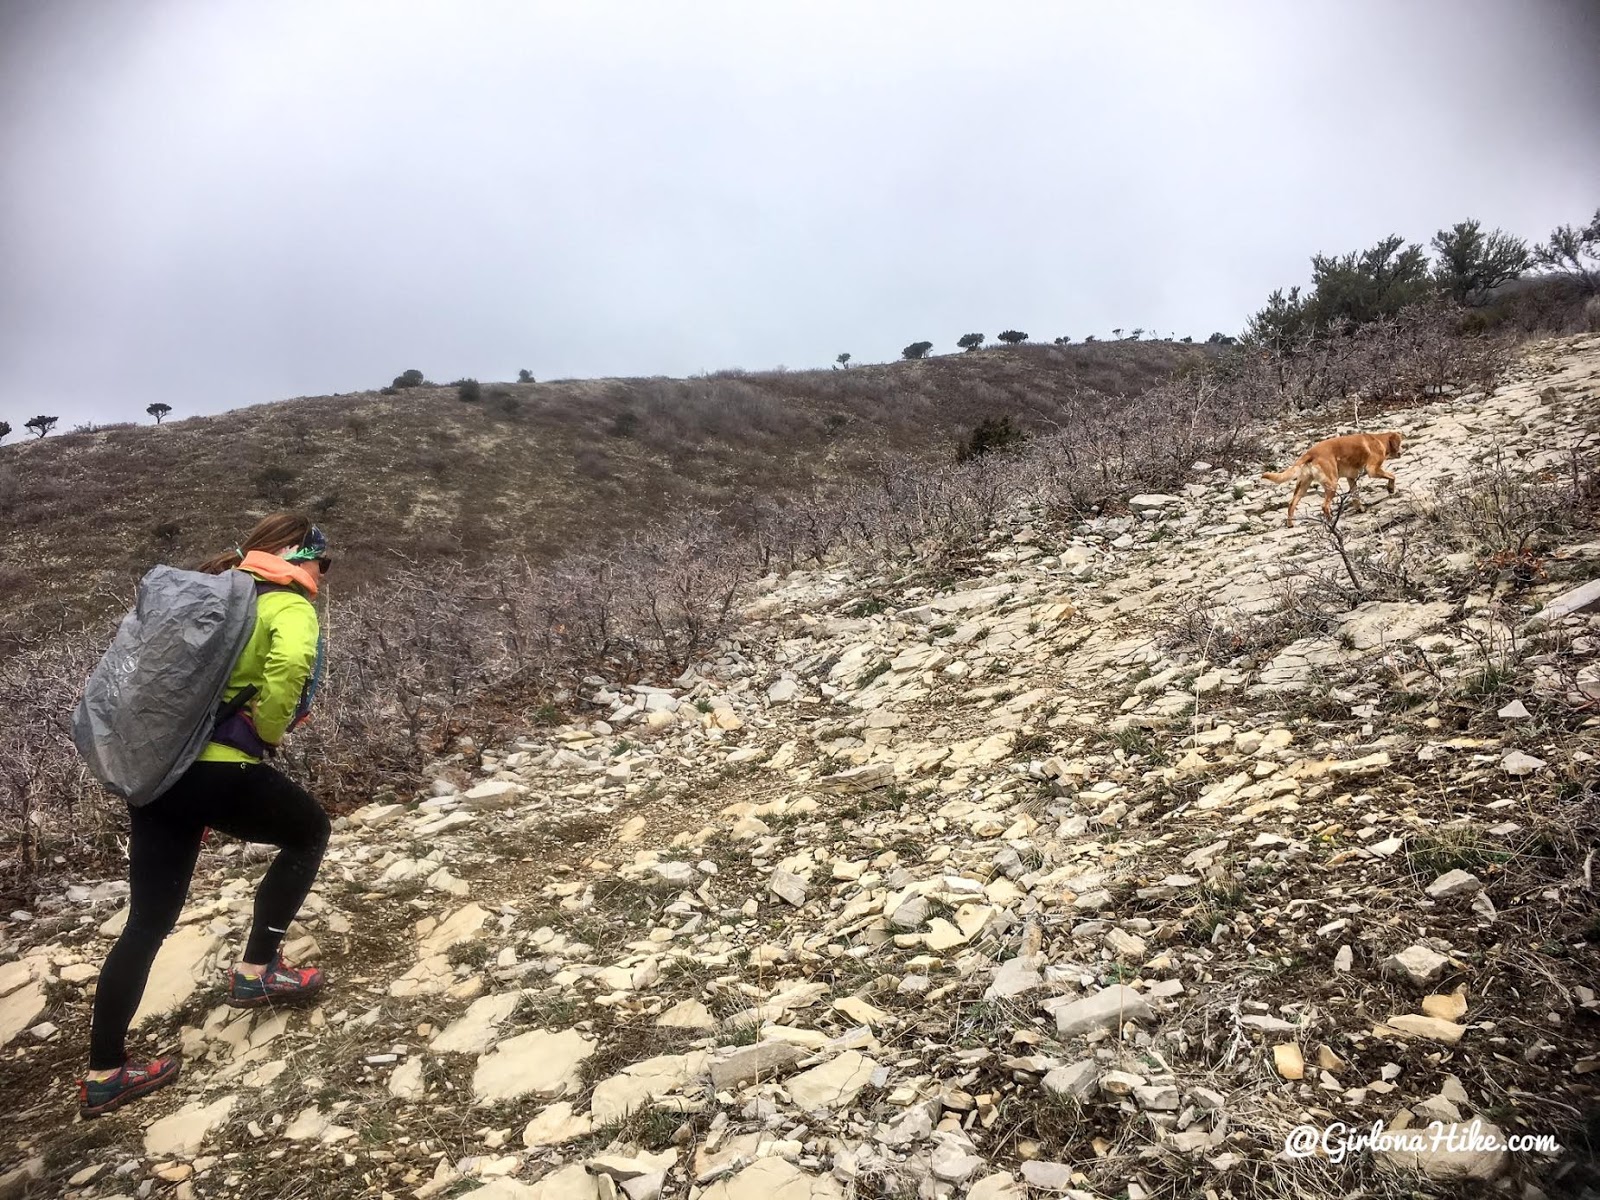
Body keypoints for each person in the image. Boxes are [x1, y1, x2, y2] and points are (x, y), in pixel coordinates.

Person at [78, 512, 334, 1118]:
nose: (324, 575)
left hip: (162, 772)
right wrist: (265, 733)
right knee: (309, 832)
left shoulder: (216, 593)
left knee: (147, 921)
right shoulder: (289, 604)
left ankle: (105, 1073)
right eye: (324, 562)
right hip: (219, 766)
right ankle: (257, 970)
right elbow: (289, 669)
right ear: (302, 557)